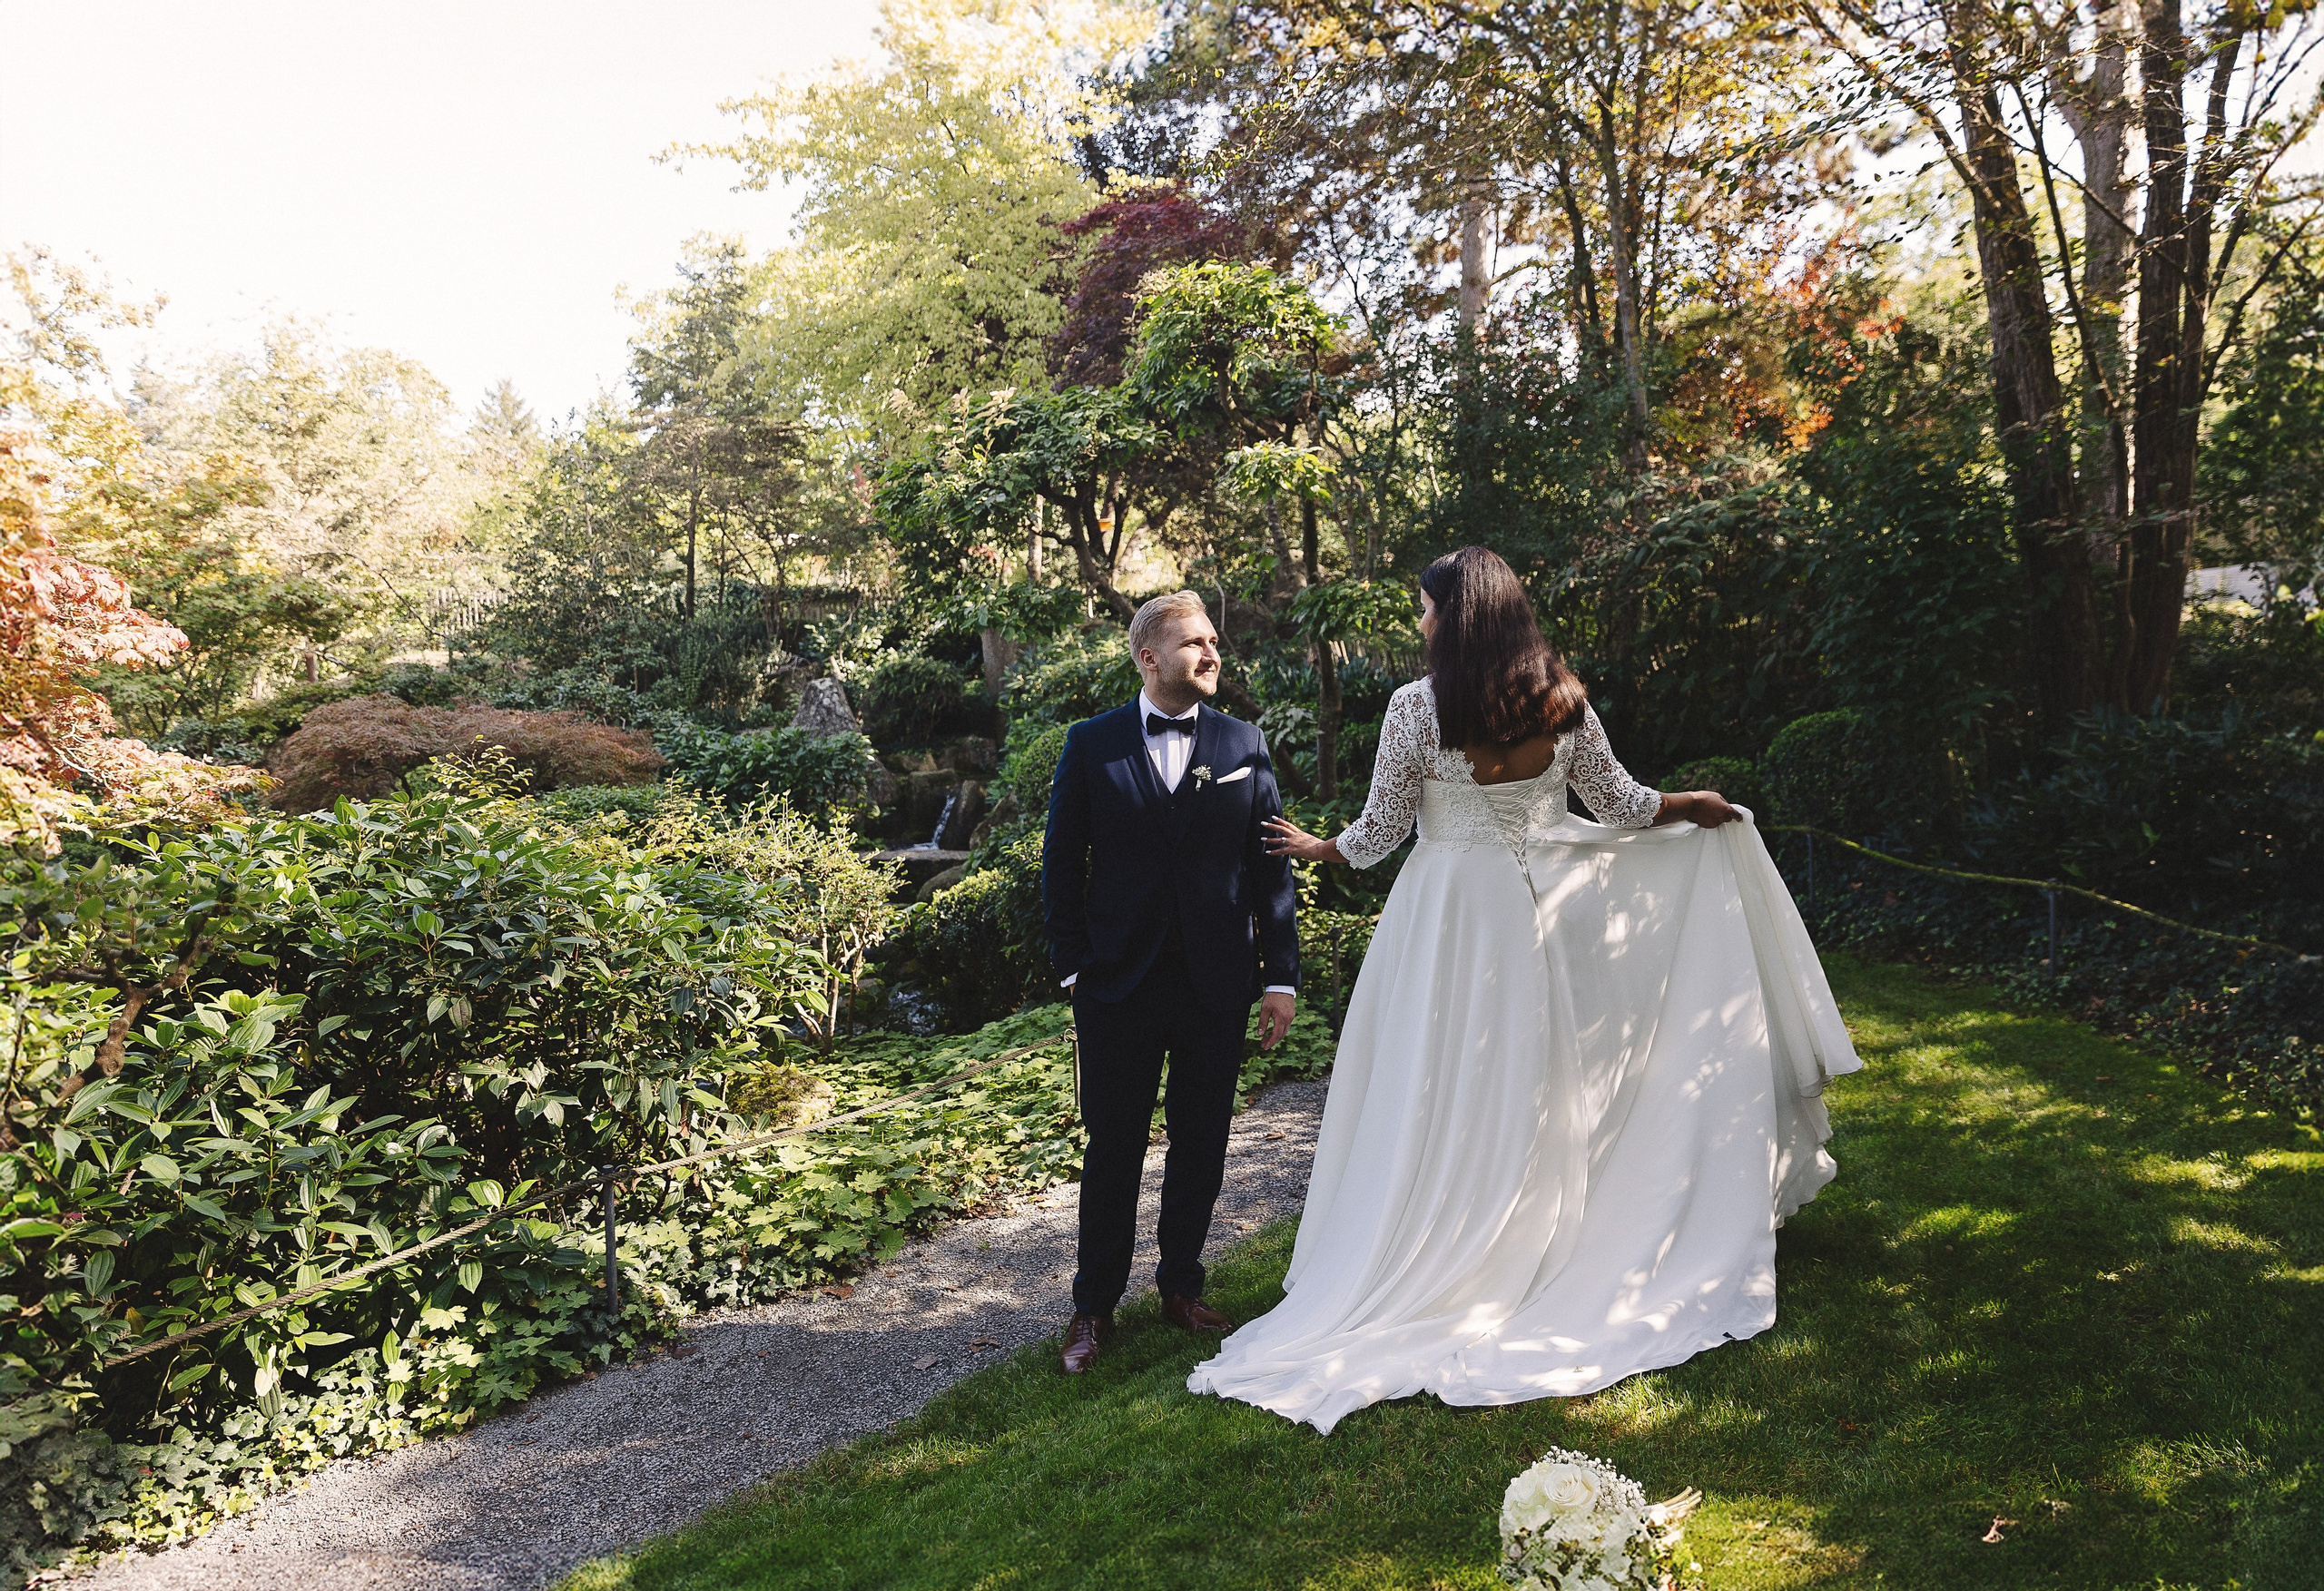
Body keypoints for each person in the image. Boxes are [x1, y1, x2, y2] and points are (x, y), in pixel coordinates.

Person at [1187, 545, 1860, 1432]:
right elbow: (1619, 805)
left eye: (1424, 608)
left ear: (1455, 615)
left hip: (1448, 913)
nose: (1419, 621)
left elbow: (1383, 829)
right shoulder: (1559, 699)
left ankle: (1453, 1232)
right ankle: (1551, 1231)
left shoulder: (1415, 708)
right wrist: (1689, 802)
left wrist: (1323, 848)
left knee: (1440, 1081)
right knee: (1547, 1075)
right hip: (1544, 906)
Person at [1040, 590, 1301, 1376]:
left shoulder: (1243, 741)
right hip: (1116, 986)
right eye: (1195, 642)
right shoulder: (1091, 745)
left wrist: (1280, 976)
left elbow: (1271, 869)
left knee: (1202, 1144)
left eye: (1214, 639)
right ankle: (1093, 1308)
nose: (1213, 652)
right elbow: (1060, 864)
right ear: (1149, 658)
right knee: (1113, 1149)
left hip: (1215, 984)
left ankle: (1182, 1286)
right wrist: (1076, 966)